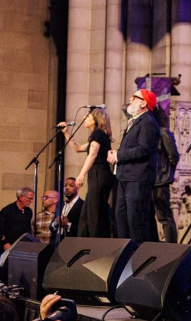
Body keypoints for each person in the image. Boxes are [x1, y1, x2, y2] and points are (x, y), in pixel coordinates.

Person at [108, 89, 159, 243]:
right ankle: (125, 259)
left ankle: (138, 261)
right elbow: (135, 147)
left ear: (144, 103)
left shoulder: (148, 122)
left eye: (135, 97)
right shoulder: (137, 121)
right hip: (126, 177)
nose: (130, 98)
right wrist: (118, 152)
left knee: (136, 223)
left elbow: (144, 149)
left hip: (137, 179)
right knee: (122, 220)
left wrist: (118, 156)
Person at [62, 109, 114, 238]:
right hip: (99, 174)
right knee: (89, 210)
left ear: (96, 119)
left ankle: (96, 241)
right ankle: (89, 239)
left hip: (99, 173)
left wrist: (81, 175)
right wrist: (66, 133)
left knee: (94, 211)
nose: (85, 118)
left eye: (88, 116)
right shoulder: (99, 135)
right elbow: (78, 148)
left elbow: (92, 154)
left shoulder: (98, 134)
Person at [152, 106, 180, 243]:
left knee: (164, 216)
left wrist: (169, 172)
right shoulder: (149, 132)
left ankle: (171, 247)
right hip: (149, 178)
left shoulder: (163, 132)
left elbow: (173, 156)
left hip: (160, 179)